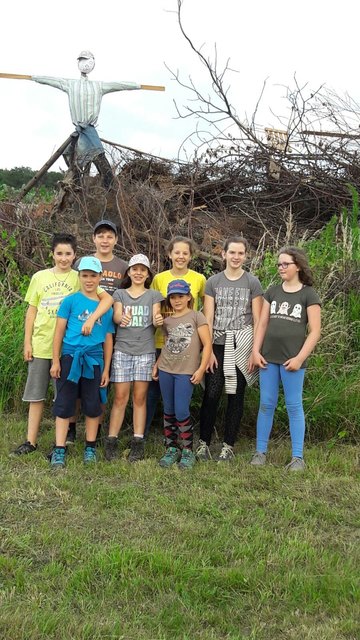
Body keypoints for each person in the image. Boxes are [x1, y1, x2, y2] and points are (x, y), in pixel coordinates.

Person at [12, 234, 112, 456]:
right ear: (52, 254)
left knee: (65, 397)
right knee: (36, 395)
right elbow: (31, 312)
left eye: (68, 254)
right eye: (59, 253)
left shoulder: (81, 276)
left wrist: (91, 319)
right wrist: (27, 342)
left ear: (74, 256)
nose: (64, 258)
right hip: (41, 343)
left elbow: (106, 299)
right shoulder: (40, 277)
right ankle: (30, 441)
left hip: (68, 348)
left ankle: (65, 441)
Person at [249, 246, 321, 471]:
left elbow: (315, 331)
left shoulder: (308, 294)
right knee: (266, 404)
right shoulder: (272, 292)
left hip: (293, 362)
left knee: (293, 405)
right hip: (268, 359)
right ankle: (260, 452)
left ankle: (297, 457)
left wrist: (300, 358)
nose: (280, 267)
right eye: (279, 264)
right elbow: (262, 323)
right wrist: (255, 350)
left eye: (285, 264)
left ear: (297, 266)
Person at [196, 236, 263, 462]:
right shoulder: (213, 282)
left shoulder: (253, 283)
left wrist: (255, 349)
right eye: (232, 252)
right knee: (212, 393)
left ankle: (228, 445)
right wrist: (207, 350)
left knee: (236, 395)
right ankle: (203, 442)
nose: (236, 257)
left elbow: (257, 318)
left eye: (240, 253)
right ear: (223, 254)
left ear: (246, 256)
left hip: (242, 344)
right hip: (217, 343)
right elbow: (208, 317)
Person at [31, 52, 142, 187]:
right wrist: (33, 77)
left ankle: (108, 187)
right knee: (75, 161)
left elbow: (119, 85)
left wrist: (137, 85)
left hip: (89, 130)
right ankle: (78, 186)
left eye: (86, 61)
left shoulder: (98, 86)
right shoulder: (70, 84)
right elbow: (52, 80)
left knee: (100, 159)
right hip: (79, 130)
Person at [50, 256, 114, 468]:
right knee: (65, 402)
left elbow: (107, 339)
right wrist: (56, 361)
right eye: (85, 275)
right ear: (79, 276)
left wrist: (106, 368)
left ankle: (90, 446)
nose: (89, 280)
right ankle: (59, 448)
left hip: (93, 359)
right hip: (70, 356)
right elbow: (59, 332)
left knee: (92, 404)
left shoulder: (105, 307)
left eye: (93, 276)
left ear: (100, 277)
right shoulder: (70, 301)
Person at [71, 218, 128, 443]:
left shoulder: (122, 267)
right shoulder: (81, 263)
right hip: (81, 330)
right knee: (77, 377)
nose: (105, 240)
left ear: (115, 239)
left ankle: (99, 427)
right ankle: (72, 427)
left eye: (109, 236)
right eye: (100, 235)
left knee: (103, 379)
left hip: (110, 331)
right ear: (93, 238)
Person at [104, 254, 163, 462]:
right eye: (135, 269)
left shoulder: (154, 295)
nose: (138, 273)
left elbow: (158, 319)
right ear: (129, 272)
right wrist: (122, 318)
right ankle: (111, 440)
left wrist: (158, 319)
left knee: (140, 398)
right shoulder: (120, 294)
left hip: (145, 352)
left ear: (148, 274)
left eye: (143, 270)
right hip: (122, 350)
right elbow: (116, 316)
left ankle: (138, 441)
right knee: (120, 397)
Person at [145, 236, 206, 435]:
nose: (180, 256)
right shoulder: (159, 279)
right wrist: (156, 319)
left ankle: (184, 442)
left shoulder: (199, 279)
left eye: (185, 253)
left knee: (181, 396)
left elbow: (204, 309)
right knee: (155, 391)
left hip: (188, 345)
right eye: (177, 252)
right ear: (169, 254)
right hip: (162, 341)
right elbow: (152, 306)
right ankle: (144, 434)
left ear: (191, 256)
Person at [152, 280, 212, 469]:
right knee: (168, 410)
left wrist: (201, 369)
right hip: (166, 370)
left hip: (186, 372)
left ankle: (187, 450)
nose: (177, 300)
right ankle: (172, 448)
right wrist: (157, 364)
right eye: (173, 297)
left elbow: (207, 345)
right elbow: (167, 346)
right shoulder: (167, 321)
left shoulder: (197, 316)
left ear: (188, 297)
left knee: (181, 410)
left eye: (180, 296)